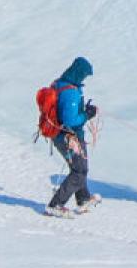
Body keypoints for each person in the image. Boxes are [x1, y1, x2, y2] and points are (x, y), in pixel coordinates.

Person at [38, 56, 97, 215]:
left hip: (62, 135)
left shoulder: (60, 83)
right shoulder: (70, 92)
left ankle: (83, 199)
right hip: (67, 136)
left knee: (80, 168)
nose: (85, 78)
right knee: (79, 170)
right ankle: (55, 205)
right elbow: (70, 120)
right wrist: (87, 115)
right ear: (78, 72)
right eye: (84, 74)